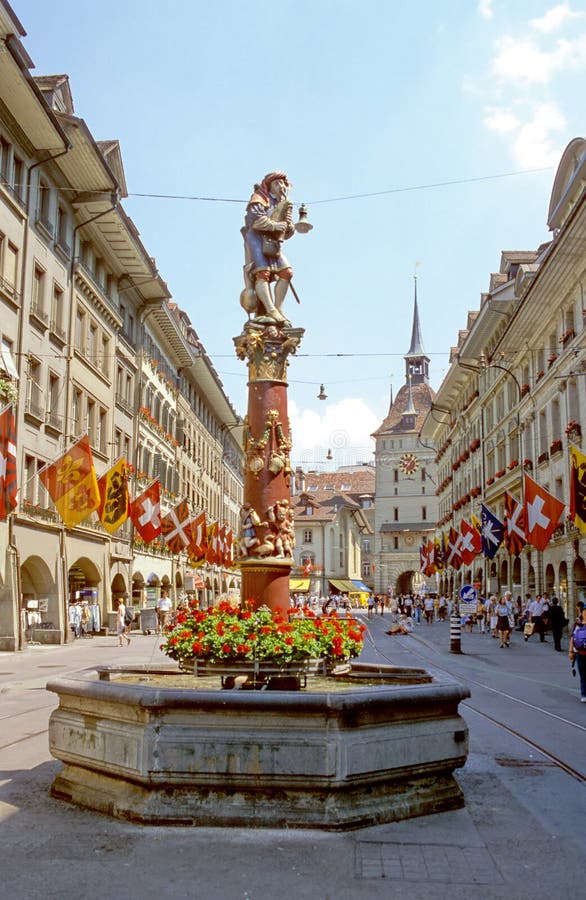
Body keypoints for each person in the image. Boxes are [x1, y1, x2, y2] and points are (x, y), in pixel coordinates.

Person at [240, 172, 296, 325]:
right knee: (262, 273)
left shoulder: (283, 203)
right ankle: (270, 309)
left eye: (282, 184)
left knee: (287, 272)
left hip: (273, 242)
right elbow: (255, 220)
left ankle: (278, 309)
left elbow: (285, 233)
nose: (281, 186)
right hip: (257, 239)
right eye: (276, 183)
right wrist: (275, 225)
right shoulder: (259, 198)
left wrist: (289, 228)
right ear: (269, 186)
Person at [569, 604, 586, 702]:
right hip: (580, 653)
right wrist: (570, 651)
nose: (585, 614)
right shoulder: (577, 624)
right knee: (583, 675)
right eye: (584, 612)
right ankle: (584, 694)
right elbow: (572, 638)